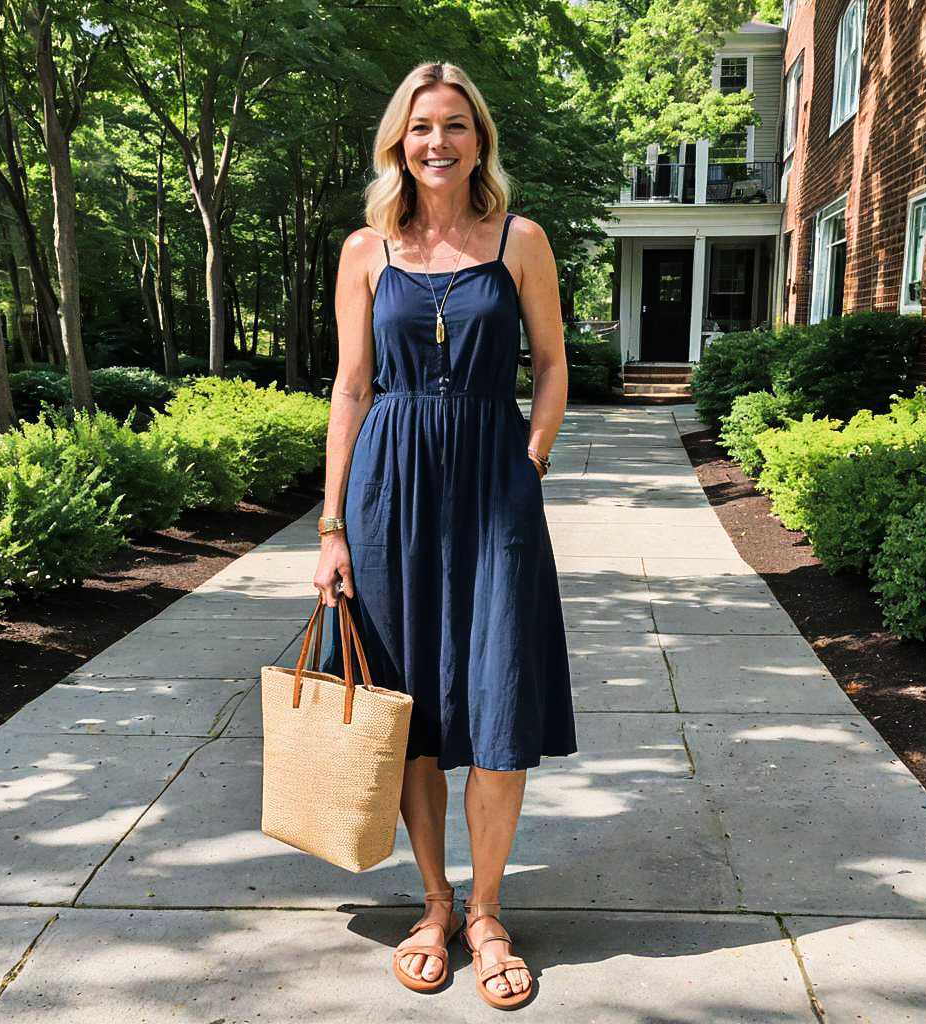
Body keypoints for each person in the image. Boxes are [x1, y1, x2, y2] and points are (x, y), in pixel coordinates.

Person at [312, 61, 576, 1010]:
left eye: (454, 126)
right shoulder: (366, 250)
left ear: (479, 139)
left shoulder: (521, 240)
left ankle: (489, 912)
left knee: (498, 708)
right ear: (398, 141)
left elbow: (551, 366)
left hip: (494, 491)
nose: (437, 143)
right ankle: (434, 903)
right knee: (412, 712)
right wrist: (333, 524)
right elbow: (351, 387)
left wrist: (531, 462)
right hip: (388, 497)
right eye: (420, 127)